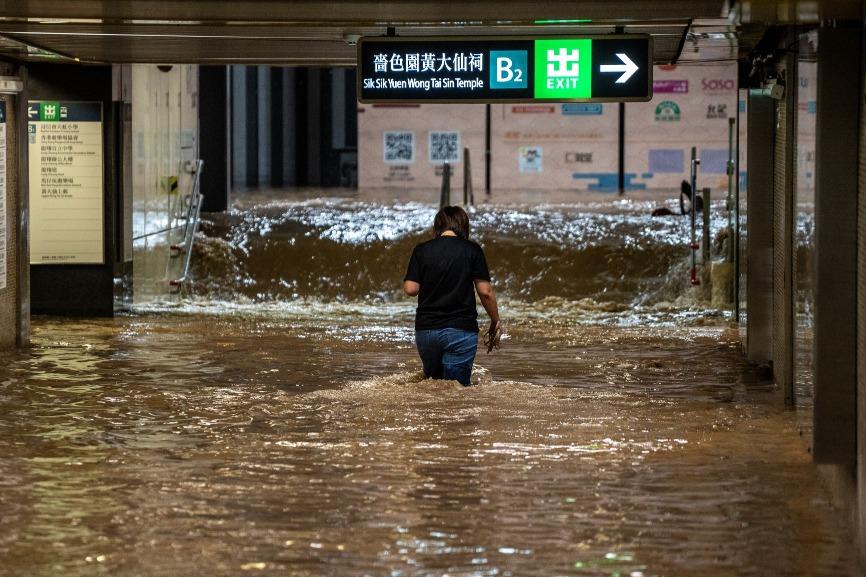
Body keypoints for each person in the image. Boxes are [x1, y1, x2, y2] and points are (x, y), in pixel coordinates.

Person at [403, 206, 501, 386]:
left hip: (427, 331)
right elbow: (485, 292)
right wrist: (495, 320)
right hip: (460, 330)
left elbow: (411, 289)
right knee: (457, 390)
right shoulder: (472, 250)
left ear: (437, 226)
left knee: (434, 387)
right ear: (463, 225)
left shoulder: (422, 250)